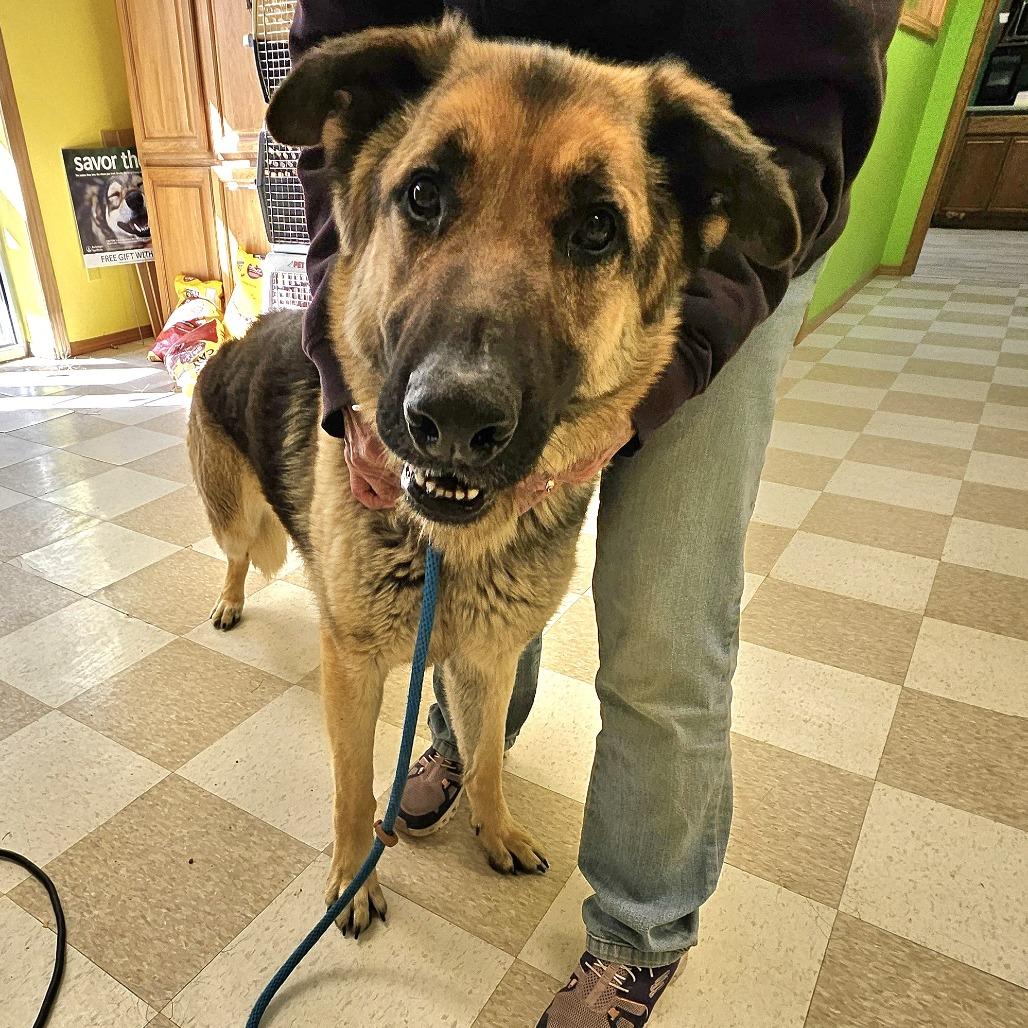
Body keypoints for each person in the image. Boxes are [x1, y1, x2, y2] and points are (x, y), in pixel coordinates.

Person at [290, 3, 901, 1024]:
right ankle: (474, 749)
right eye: (432, 194)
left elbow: (801, 128)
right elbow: (344, 122)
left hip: (712, 253)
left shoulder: (702, 191)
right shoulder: (392, 129)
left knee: (665, 626)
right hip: (476, 136)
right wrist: (341, 357)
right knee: (475, 597)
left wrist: (670, 372)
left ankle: (641, 926)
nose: (456, 384)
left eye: (584, 226)